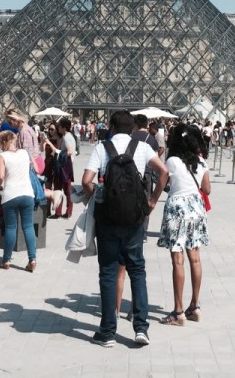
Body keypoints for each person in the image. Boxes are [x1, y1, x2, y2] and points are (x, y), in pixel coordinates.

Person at [81, 109, 167, 348]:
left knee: (108, 272)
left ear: (111, 126)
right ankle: (141, 329)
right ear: (132, 129)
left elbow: (86, 180)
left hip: (108, 219)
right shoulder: (141, 148)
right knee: (137, 270)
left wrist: (98, 198)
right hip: (135, 219)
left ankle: (108, 332)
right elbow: (164, 172)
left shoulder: (102, 148)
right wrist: (151, 202)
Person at [157, 123, 211, 325]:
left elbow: (162, 183)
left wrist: (153, 200)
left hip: (177, 208)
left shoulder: (171, 161)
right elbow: (207, 189)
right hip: (196, 209)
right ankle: (195, 307)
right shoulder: (201, 161)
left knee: (177, 261)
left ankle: (178, 312)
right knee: (195, 259)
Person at [0, 130, 38, 271]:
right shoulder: (25, 153)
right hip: (27, 193)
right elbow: (37, 169)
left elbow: (1, 176)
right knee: (28, 226)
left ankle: (6, 260)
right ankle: (32, 260)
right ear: (14, 140)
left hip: (10, 195)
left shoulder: (2, 156)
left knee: (11, 228)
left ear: (2, 143)